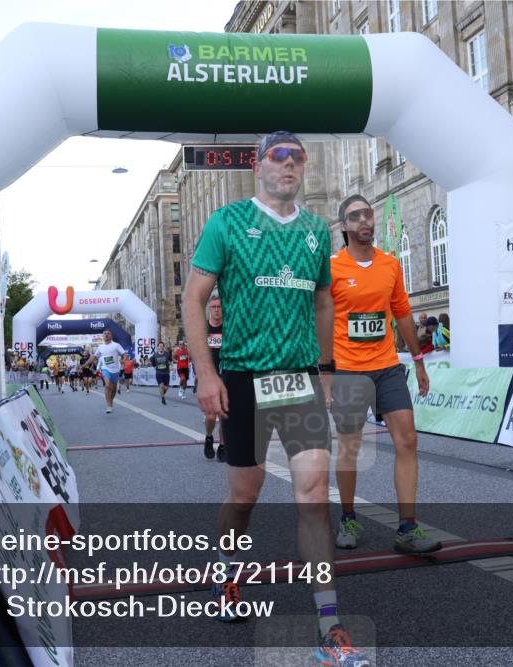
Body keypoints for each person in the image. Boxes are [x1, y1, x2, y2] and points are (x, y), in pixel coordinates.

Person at [183, 130, 368, 665]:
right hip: (241, 376)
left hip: (300, 380)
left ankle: (329, 626)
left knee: (313, 493)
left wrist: (327, 370)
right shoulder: (227, 223)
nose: (288, 165)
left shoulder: (314, 230)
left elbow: (323, 302)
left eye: (296, 158)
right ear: (260, 166)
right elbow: (195, 300)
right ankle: (226, 569)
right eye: (277, 157)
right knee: (245, 494)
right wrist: (206, 374)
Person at [329, 194, 441, 555]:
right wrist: (324, 372)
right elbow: (318, 319)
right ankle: (348, 517)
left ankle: (407, 528)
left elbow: (403, 313)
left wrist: (419, 361)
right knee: (350, 447)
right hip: (347, 370)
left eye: (368, 214)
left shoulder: (391, 265)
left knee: (407, 440)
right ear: (344, 226)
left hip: (388, 366)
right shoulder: (331, 268)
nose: (365, 220)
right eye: (355, 216)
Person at [203, 292, 227, 462]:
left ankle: (223, 445)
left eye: (219, 307)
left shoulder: (229, 328)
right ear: (209, 309)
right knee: (211, 416)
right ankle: (209, 436)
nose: (217, 310)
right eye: (214, 307)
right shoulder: (203, 329)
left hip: (227, 375)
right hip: (210, 377)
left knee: (224, 415)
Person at [84, 329, 127, 414]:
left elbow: (124, 354)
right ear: (103, 336)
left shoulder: (116, 345)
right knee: (107, 385)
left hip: (115, 370)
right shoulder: (100, 347)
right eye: (105, 334)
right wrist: (85, 364)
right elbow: (94, 357)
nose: (107, 335)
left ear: (111, 336)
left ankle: (111, 400)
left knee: (114, 389)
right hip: (105, 368)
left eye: (108, 333)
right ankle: (108, 405)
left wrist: (123, 360)